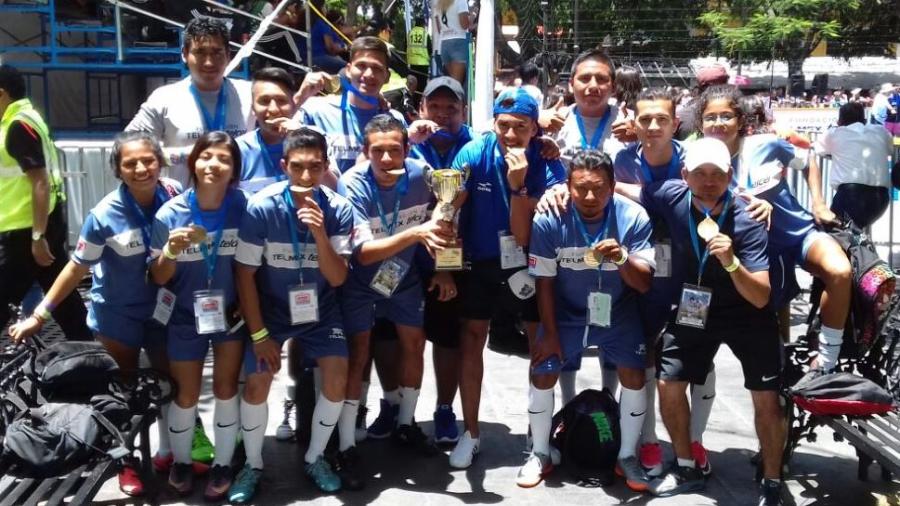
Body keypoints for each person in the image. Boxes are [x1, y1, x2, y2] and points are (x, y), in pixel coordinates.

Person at [9, 131, 180, 497]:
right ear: (117, 169)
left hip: (164, 310)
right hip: (117, 315)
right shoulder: (104, 214)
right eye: (129, 163)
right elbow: (75, 267)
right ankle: (125, 463)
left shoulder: (174, 196)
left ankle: (172, 455)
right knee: (119, 393)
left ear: (160, 161)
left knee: (169, 382)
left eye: (147, 160)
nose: (140, 168)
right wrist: (40, 313)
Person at [641, 138, 787, 506]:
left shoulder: (748, 220)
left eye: (718, 174)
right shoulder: (672, 196)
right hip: (695, 306)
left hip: (747, 311)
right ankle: (687, 465)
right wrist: (562, 188)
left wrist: (732, 261)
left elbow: (760, 296)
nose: (709, 181)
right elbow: (625, 188)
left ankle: (772, 480)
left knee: (767, 397)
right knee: (668, 381)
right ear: (684, 174)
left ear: (730, 176)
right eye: (700, 173)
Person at [232, 128, 354, 500]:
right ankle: (251, 465)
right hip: (272, 310)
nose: (305, 177)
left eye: (315, 167)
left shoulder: (338, 209)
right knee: (257, 382)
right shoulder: (262, 207)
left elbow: (337, 277)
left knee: (337, 378)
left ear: (325, 166)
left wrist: (319, 233)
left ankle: (315, 457)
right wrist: (259, 336)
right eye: (297, 167)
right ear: (283, 165)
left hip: (321, 308)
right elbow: (244, 274)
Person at [447, 87, 566, 469]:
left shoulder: (547, 162)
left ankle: (537, 434)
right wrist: (441, 259)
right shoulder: (473, 153)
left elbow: (526, 235)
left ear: (535, 128)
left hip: (528, 262)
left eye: (521, 126)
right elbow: (449, 204)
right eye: (504, 125)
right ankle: (471, 432)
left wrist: (518, 186)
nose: (511, 135)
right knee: (471, 339)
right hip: (481, 261)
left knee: (539, 342)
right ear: (493, 123)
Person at [524, 149, 655, 490]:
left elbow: (642, 283)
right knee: (542, 371)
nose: (589, 196)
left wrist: (623, 258)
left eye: (598, 188)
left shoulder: (634, 216)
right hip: (566, 312)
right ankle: (539, 452)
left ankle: (627, 456)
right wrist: (550, 334)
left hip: (617, 310)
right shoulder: (549, 218)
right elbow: (545, 281)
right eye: (580, 188)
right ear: (567, 186)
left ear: (613, 187)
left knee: (634, 375)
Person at [699, 85, 851, 373]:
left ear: (741, 120)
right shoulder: (700, 160)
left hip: (799, 235)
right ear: (701, 123)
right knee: (770, 322)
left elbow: (808, 162)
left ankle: (827, 360)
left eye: (726, 116)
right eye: (711, 117)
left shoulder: (767, 144)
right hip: (759, 252)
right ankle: (784, 375)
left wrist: (818, 204)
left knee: (840, 272)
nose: (718, 123)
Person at [334, 115, 451, 489]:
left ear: (407, 149)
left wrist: (444, 268)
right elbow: (364, 254)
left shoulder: (422, 174)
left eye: (395, 150)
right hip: (359, 282)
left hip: (404, 279)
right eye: (378, 151)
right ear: (366, 152)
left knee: (414, 344)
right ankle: (348, 442)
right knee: (359, 352)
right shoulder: (352, 183)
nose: (387, 159)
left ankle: (406, 423)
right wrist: (417, 233)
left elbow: (447, 213)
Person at [364, 76, 472, 444]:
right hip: (398, 262)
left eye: (451, 107)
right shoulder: (407, 148)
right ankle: (392, 404)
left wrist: (446, 268)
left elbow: (451, 217)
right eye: (435, 106)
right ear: (422, 108)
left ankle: (443, 410)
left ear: (463, 110)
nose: (443, 114)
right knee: (388, 338)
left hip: (445, 262)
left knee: (444, 338)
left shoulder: (471, 147)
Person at [148, 131, 248, 500]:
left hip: (231, 315)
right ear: (193, 162)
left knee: (225, 388)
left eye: (224, 158)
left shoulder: (245, 207)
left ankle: (222, 463)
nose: (214, 165)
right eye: (206, 156)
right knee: (185, 395)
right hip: (185, 315)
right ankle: (182, 460)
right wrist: (170, 251)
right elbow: (158, 276)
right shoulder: (170, 214)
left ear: (234, 169)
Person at [0, 64, 91, 342]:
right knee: (64, 301)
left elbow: (39, 182)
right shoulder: (25, 118)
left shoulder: (18, 125)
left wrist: (38, 237)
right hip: (37, 226)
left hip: (27, 231)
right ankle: (94, 364)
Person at [126, 16, 255, 187]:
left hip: (238, 206)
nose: (209, 62)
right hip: (185, 208)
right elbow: (127, 149)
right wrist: (182, 155)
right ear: (185, 54)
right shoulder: (164, 98)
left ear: (228, 55)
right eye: (200, 52)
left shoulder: (251, 94)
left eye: (217, 52)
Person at [296, 36, 407, 177]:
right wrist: (299, 97)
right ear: (348, 70)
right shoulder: (315, 111)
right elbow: (275, 136)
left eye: (377, 68)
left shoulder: (395, 121)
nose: (368, 74)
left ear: (387, 76)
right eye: (361, 66)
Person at [539, 50, 633, 167]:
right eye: (585, 78)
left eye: (601, 79)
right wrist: (534, 123)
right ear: (571, 85)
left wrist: (643, 134)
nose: (593, 86)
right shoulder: (553, 121)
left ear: (613, 87)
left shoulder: (632, 123)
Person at [809, 101, 894, 228]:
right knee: (853, 235)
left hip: (851, 195)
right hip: (881, 198)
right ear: (864, 120)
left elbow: (817, 148)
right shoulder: (881, 131)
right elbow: (890, 150)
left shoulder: (834, 133)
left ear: (839, 121)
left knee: (834, 234)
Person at [236, 67, 297, 193]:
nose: (273, 109)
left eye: (281, 101)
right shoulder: (238, 150)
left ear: (293, 105)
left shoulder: (315, 140)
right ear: (253, 108)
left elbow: (335, 191)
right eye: (264, 101)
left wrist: (303, 141)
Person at [432, 0, 472, 85]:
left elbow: (439, 29)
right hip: (459, 42)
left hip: (444, 44)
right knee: (456, 84)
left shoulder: (438, 3)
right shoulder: (461, 1)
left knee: (452, 82)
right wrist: (473, 16)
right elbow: (464, 25)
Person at [309, 0, 349, 74]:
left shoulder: (304, 22)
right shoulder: (322, 23)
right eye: (325, 7)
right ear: (321, 8)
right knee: (350, 68)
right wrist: (342, 49)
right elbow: (330, 48)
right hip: (319, 58)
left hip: (304, 59)